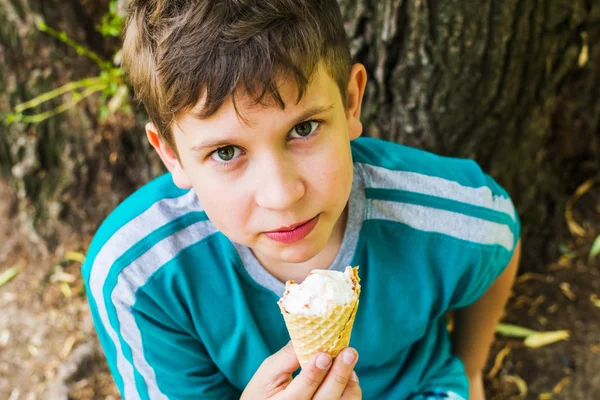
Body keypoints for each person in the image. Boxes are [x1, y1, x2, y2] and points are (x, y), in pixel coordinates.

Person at [82, 0, 521, 399]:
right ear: (171, 154)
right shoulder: (138, 276)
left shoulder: (439, 213)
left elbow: (501, 238)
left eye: (304, 129)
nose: (281, 195)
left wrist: (471, 367)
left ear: (350, 102)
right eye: (226, 153)